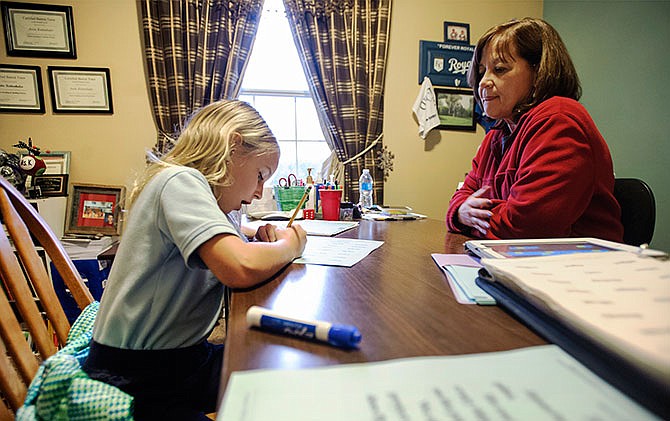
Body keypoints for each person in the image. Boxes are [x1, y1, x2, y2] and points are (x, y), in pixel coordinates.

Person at [82, 100, 307, 420]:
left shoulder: (213, 201)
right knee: (272, 373)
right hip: (135, 374)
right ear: (233, 146)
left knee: (276, 367)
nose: (259, 192)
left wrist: (258, 234)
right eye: (260, 175)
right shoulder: (178, 182)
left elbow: (236, 234)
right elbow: (239, 266)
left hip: (179, 358)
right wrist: (293, 243)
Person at [446, 18, 623, 242]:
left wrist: (472, 216)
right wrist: (461, 212)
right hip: (516, 263)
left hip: (577, 269)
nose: (483, 82)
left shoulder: (559, 120)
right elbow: (462, 196)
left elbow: (527, 228)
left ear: (539, 70)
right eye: (482, 71)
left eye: (500, 69)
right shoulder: (496, 135)